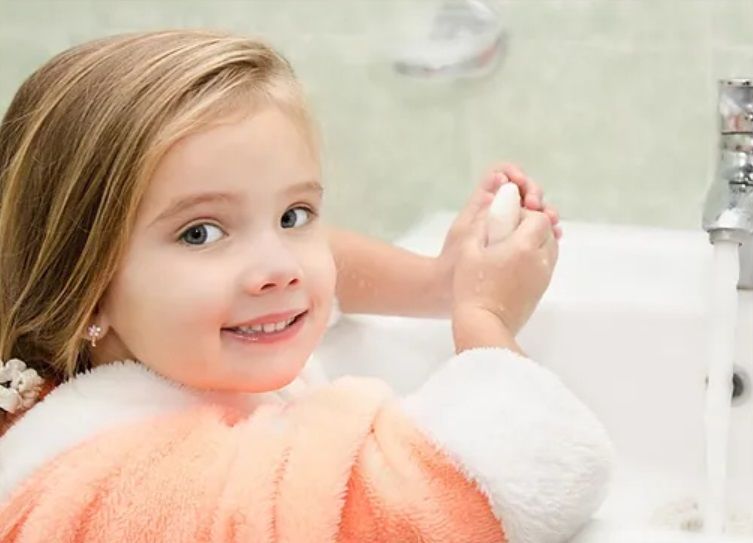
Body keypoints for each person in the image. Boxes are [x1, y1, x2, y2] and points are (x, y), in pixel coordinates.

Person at [0, 30, 611, 543]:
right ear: (83, 284)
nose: (281, 266)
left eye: (294, 214)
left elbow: (324, 260)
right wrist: (484, 317)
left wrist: (436, 282)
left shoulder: (152, 357)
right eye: (201, 233)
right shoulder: (135, 490)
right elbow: (508, 485)